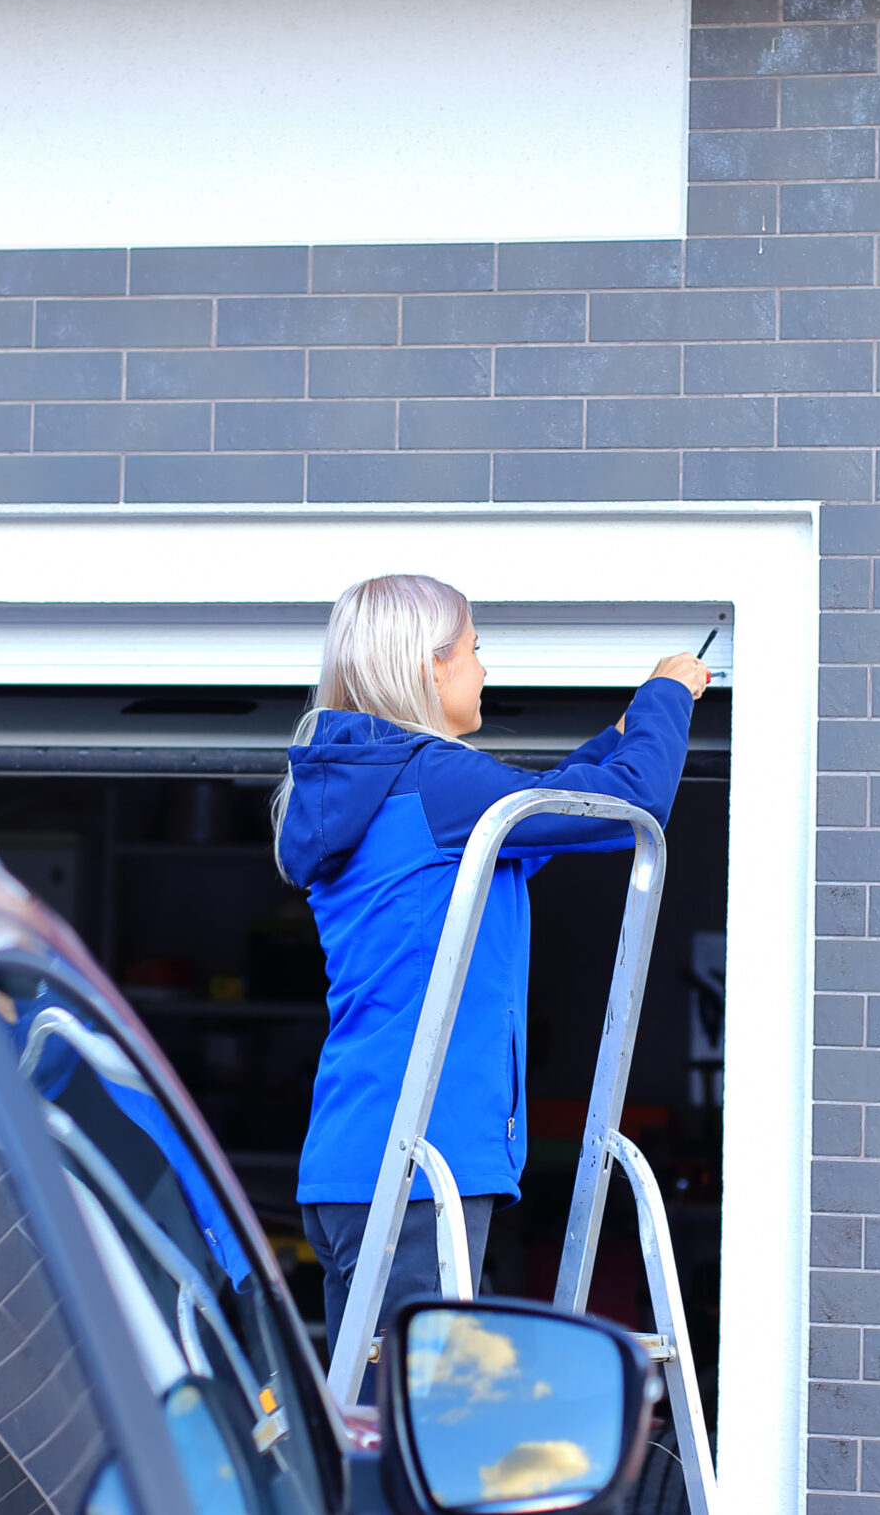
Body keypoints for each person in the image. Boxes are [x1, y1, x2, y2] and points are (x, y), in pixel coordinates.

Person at [272, 573, 709, 1381]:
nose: (484, 668)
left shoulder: (375, 788)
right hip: (421, 1167)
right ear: (429, 666)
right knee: (428, 1445)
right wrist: (665, 696)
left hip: (350, 1162)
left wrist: (615, 735)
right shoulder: (437, 777)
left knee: (370, 1434)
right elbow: (632, 803)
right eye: (473, 650)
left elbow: (540, 821)